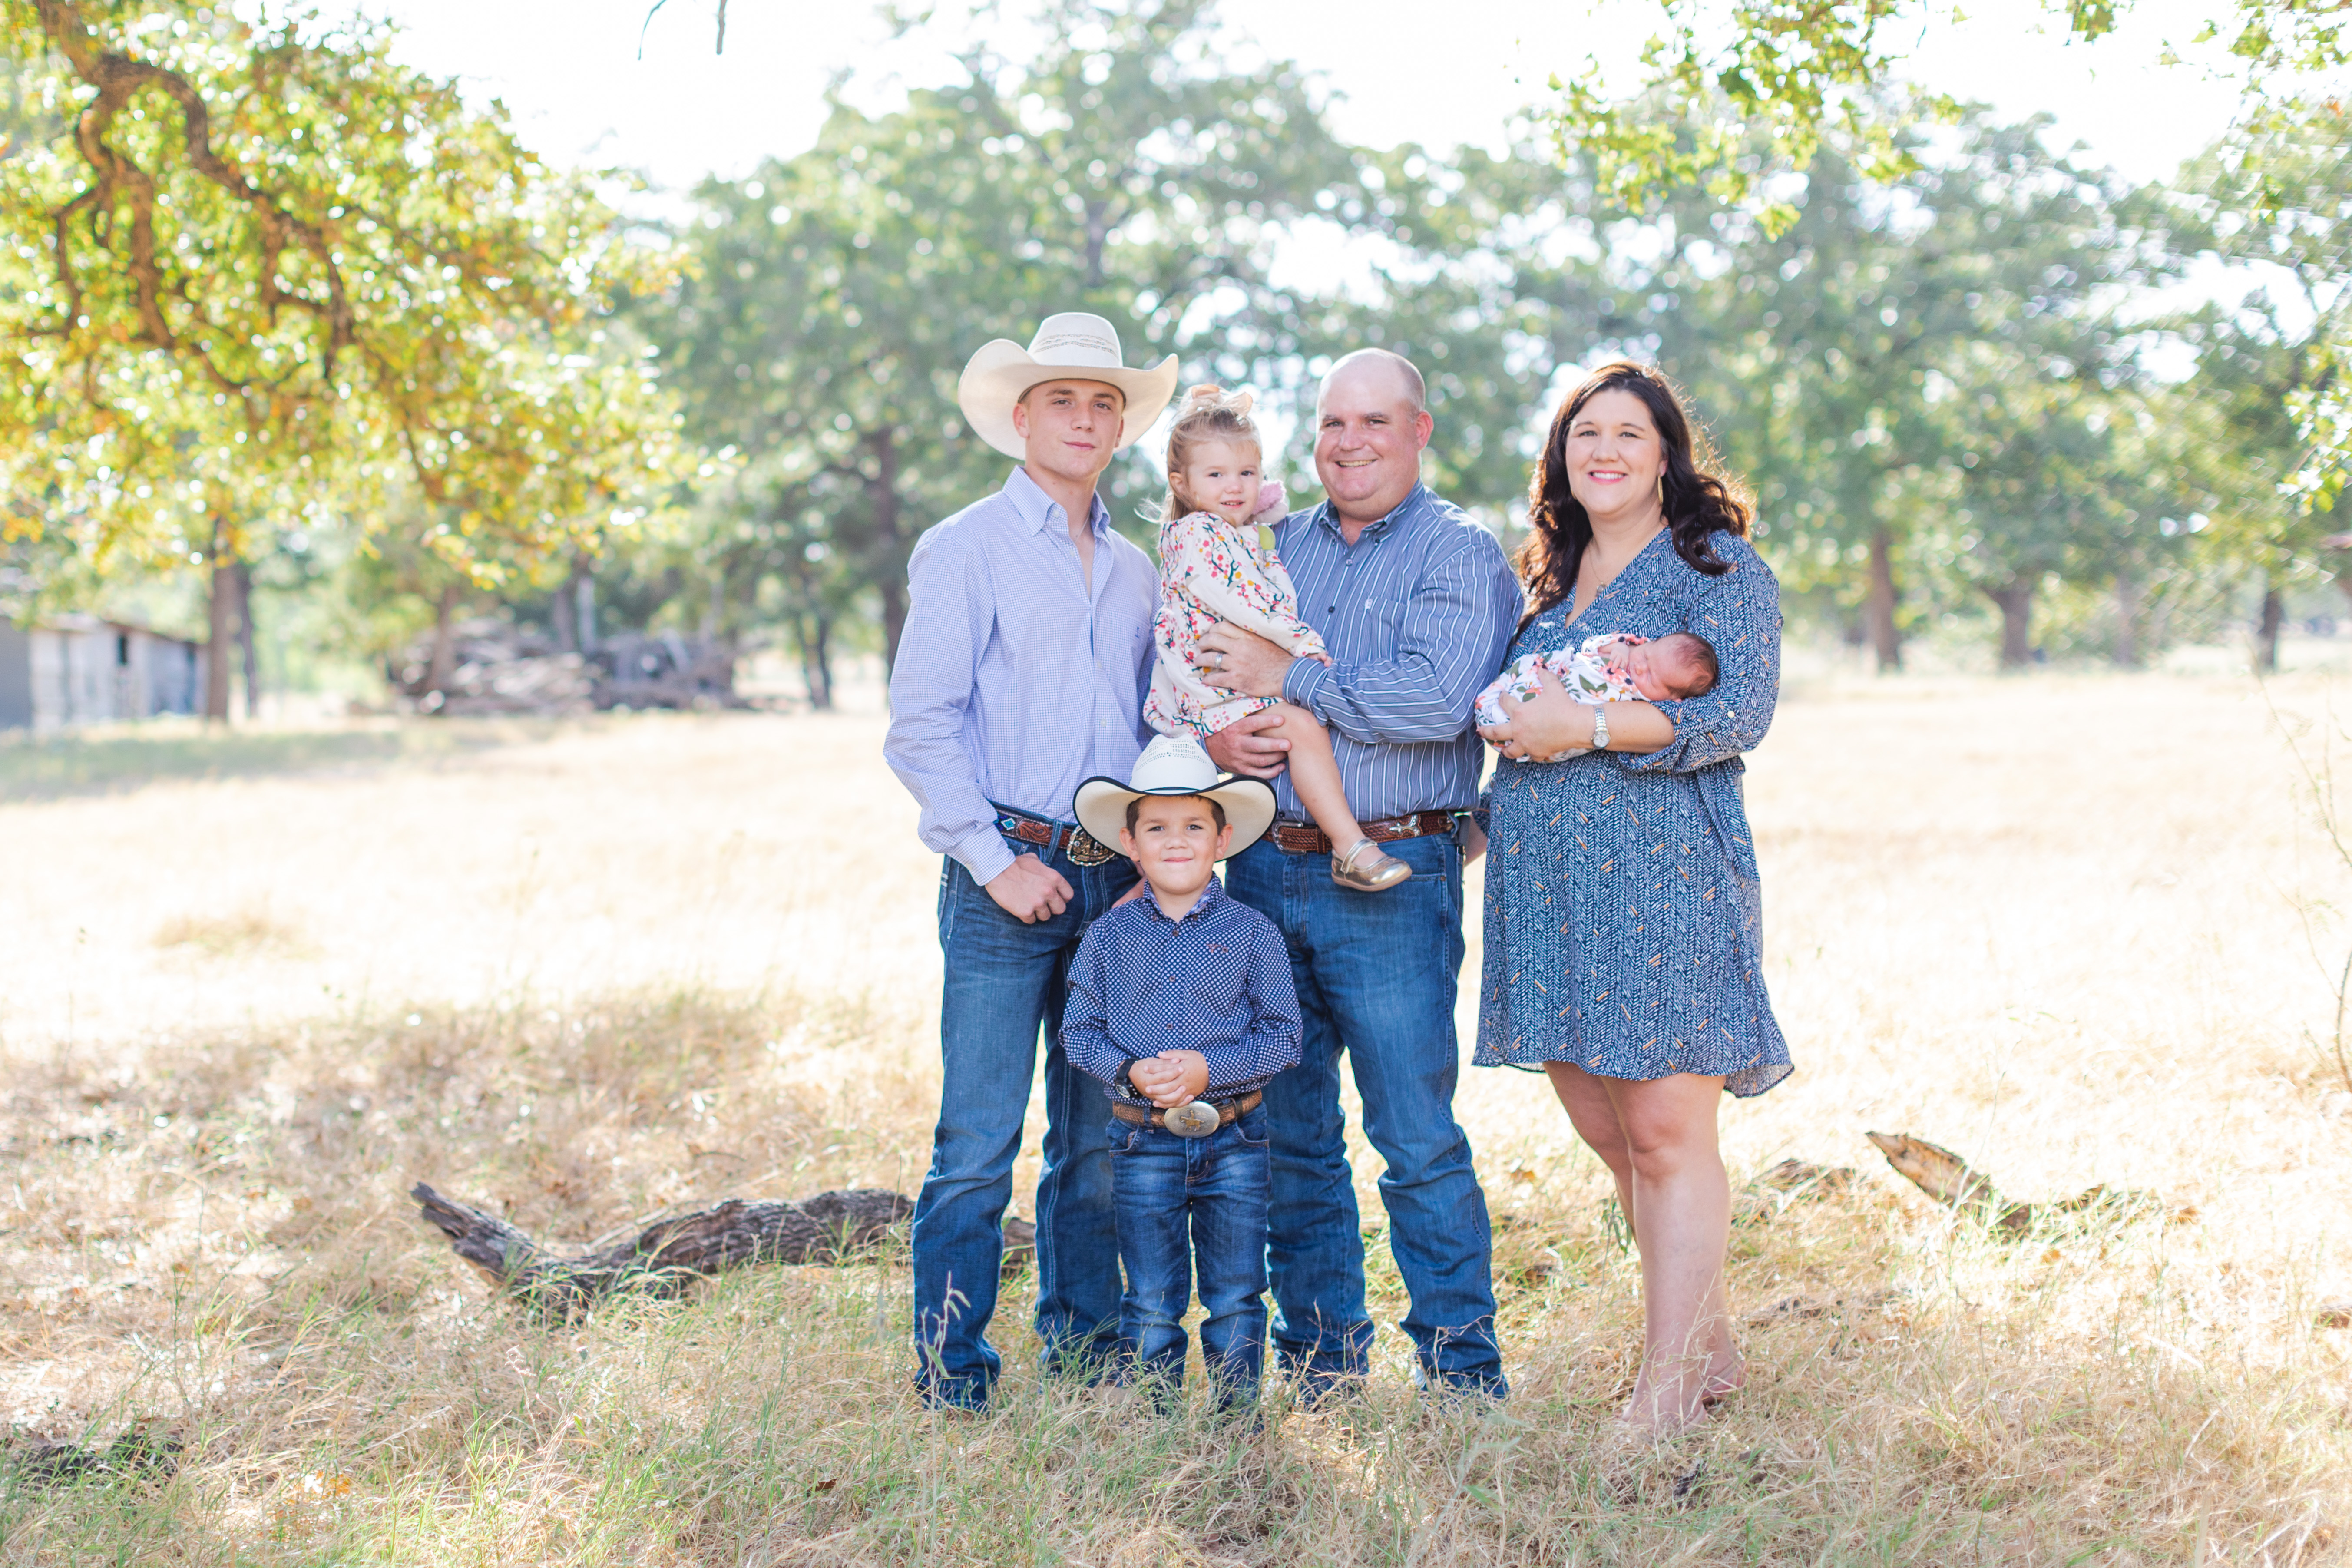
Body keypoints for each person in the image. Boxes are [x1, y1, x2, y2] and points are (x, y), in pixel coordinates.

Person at [1472, 359, 1793, 1436]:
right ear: (1560, 459)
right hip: (1548, 891)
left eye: (1626, 433)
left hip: (1666, 882)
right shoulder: (1546, 585)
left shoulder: (1715, 569)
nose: (1602, 450)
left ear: (1665, 454)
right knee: (1611, 1135)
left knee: (1665, 1130)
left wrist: (1592, 728)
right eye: (1582, 434)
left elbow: (1736, 715)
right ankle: (1708, 1350)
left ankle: (1660, 1394)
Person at [1194, 348, 1521, 1400]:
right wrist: (1220, 741)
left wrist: (1286, 678)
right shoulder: (1274, 544)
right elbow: (1207, 659)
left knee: (1413, 1135)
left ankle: (1460, 1374)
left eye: (1374, 422)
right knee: (1290, 1134)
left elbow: (1434, 702)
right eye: (1333, 422)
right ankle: (1323, 1359)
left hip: (1390, 869)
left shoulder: (1458, 551)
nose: (1349, 442)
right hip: (1256, 869)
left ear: (1418, 431)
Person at [883, 310, 1180, 1412]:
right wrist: (992, 856)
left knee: (1098, 1135)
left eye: (1104, 401)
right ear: (1020, 416)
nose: (1085, 417)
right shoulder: (964, 547)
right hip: (1005, 875)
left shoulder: (1141, 569)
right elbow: (921, 725)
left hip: (1117, 882)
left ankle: (1086, 1354)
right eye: (1062, 397)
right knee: (977, 1136)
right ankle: (951, 1371)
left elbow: (1159, 722)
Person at [1060, 734, 1298, 1412]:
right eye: (1156, 828)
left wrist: (1207, 1067)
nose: (1175, 841)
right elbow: (1078, 1033)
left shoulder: (1254, 933)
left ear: (1221, 839)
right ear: (1130, 846)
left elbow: (1283, 1036)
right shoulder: (1107, 937)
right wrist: (1134, 1073)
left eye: (1193, 826)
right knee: (1152, 1296)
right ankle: (1156, 1423)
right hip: (1141, 1141)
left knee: (1234, 1292)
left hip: (1235, 1139)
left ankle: (1235, 1425)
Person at [1143, 384, 1412, 892]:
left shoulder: (1229, 531)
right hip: (1213, 680)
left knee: (1300, 728)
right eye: (1217, 475)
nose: (1235, 486)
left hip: (1226, 676)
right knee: (1303, 727)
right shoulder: (1200, 535)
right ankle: (1350, 845)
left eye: (1248, 473)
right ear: (1181, 482)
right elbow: (1253, 605)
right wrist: (1305, 647)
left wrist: (1259, 520)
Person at [1472, 630, 1720, 762]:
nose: (1640, 668)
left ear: (1672, 699)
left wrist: (1575, 722)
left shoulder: (1640, 702)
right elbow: (1592, 648)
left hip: (1554, 737)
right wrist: (1619, 647)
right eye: (1646, 655)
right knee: (1524, 674)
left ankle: (1499, 720)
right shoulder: (1624, 653)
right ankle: (1492, 707)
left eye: (1653, 678)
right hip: (1548, 677)